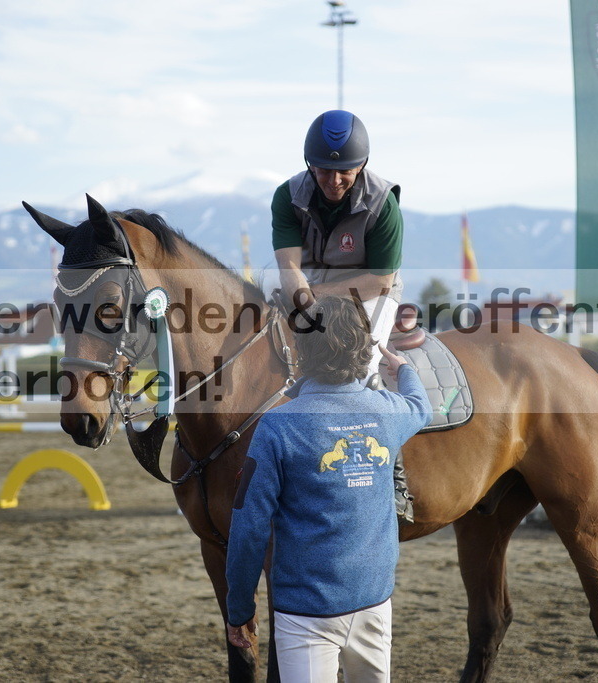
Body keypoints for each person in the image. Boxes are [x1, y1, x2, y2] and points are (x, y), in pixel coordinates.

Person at [224, 296, 431, 682]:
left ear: (301, 350)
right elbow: (422, 406)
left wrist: (239, 610)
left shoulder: (276, 426)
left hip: (304, 613)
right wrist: (402, 370)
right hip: (375, 602)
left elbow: (249, 527)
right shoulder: (389, 410)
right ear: (363, 350)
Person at [272, 109, 404, 387]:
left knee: (357, 369)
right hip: (308, 283)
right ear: (311, 165)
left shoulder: (383, 203)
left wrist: (317, 296)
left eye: (345, 171)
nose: (334, 181)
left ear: (361, 165)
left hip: (368, 291)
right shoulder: (287, 195)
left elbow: (381, 280)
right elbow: (289, 266)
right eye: (325, 171)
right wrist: (304, 298)